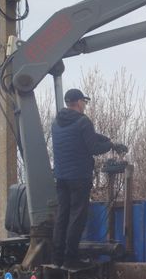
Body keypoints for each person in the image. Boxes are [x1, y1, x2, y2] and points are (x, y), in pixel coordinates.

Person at [51, 87, 127, 268]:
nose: (84, 105)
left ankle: (57, 259)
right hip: (79, 177)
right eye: (84, 102)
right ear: (78, 102)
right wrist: (110, 145)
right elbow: (93, 147)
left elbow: (87, 136)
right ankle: (71, 259)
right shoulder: (83, 121)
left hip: (61, 177)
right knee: (77, 217)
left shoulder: (56, 122)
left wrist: (108, 140)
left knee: (62, 217)